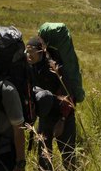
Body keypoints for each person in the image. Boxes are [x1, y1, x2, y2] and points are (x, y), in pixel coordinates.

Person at [25, 37, 76, 171]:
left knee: (68, 157)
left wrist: (62, 120)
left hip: (64, 118)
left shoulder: (55, 69)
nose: (28, 55)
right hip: (45, 118)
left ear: (41, 52)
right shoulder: (30, 68)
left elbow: (68, 97)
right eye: (26, 51)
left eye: (31, 52)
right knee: (44, 158)